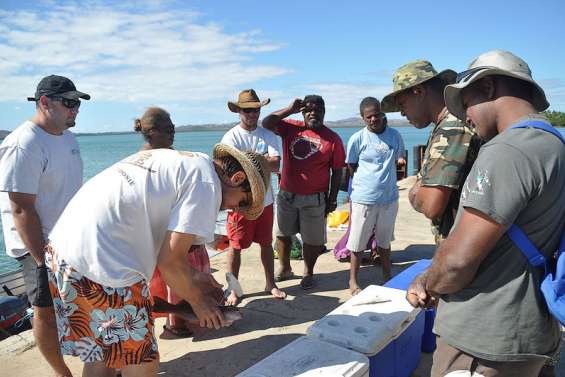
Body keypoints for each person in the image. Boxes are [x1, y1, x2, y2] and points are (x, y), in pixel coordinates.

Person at [44, 143, 271, 376]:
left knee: (104, 355)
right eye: (242, 202)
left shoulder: (186, 162)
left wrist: (196, 278)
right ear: (237, 177)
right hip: (105, 262)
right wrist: (199, 303)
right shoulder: (207, 184)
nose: (235, 210)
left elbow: (165, 248)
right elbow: (170, 262)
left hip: (63, 251)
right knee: (142, 362)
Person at [406, 50, 564, 377]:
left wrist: (428, 282)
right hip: (532, 330)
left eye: (467, 102)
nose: (465, 116)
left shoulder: (506, 150)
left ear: (489, 87)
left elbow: (457, 263)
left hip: (484, 340)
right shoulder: (554, 144)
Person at [0, 75, 89, 377]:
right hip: (38, 247)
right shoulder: (24, 143)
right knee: (47, 313)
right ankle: (61, 373)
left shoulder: (67, 137)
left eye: (77, 103)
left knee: (83, 304)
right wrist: (41, 261)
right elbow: (21, 207)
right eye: (69, 103)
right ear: (44, 102)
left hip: (70, 241)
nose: (75, 109)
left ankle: (98, 363)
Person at [131, 107, 213, 338]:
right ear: (152, 131)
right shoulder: (150, 160)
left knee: (171, 286)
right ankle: (177, 324)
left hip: (165, 236)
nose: (172, 133)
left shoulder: (162, 157)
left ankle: (181, 319)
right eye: (168, 129)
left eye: (173, 128)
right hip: (168, 236)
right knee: (175, 284)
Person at [381, 60, 480, 246]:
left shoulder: (452, 127)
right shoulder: (448, 124)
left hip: (462, 246)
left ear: (418, 91)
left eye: (402, 103)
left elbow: (431, 206)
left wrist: (414, 191)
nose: (402, 113)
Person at [262, 95, 346, 289]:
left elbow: (338, 171)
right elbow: (267, 123)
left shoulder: (333, 139)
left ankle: (308, 272)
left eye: (317, 109)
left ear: (324, 112)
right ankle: (285, 267)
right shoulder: (291, 127)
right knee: (282, 235)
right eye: (308, 109)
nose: (312, 113)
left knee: (312, 240)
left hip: (315, 199)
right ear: (302, 112)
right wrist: (289, 110)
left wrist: (332, 200)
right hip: (287, 195)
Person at [221, 89, 286, 305]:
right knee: (235, 247)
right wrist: (261, 159)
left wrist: (247, 160)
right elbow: (227, 169)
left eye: (255, 110)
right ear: (238, 111)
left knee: (266, 244)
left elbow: (276, 165)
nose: (252, 114)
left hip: (265, 201)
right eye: (247, 110)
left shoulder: (268, 135)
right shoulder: (231, 137)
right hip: (239, 204)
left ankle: (271, 283)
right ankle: (233, 289)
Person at [345, 97, 406, 294]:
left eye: (377, 115)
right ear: (363, 118)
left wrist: (401, 160)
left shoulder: (395, 135)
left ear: (382, 114)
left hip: (389, 199)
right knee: (357, 243)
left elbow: (400, 156)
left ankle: (387, 276)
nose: (374, 119)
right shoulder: (357, 139)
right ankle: (353, 281)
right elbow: (351, 165)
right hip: (364, 200)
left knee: (384, 242)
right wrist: (367, 184)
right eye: (369, 116)